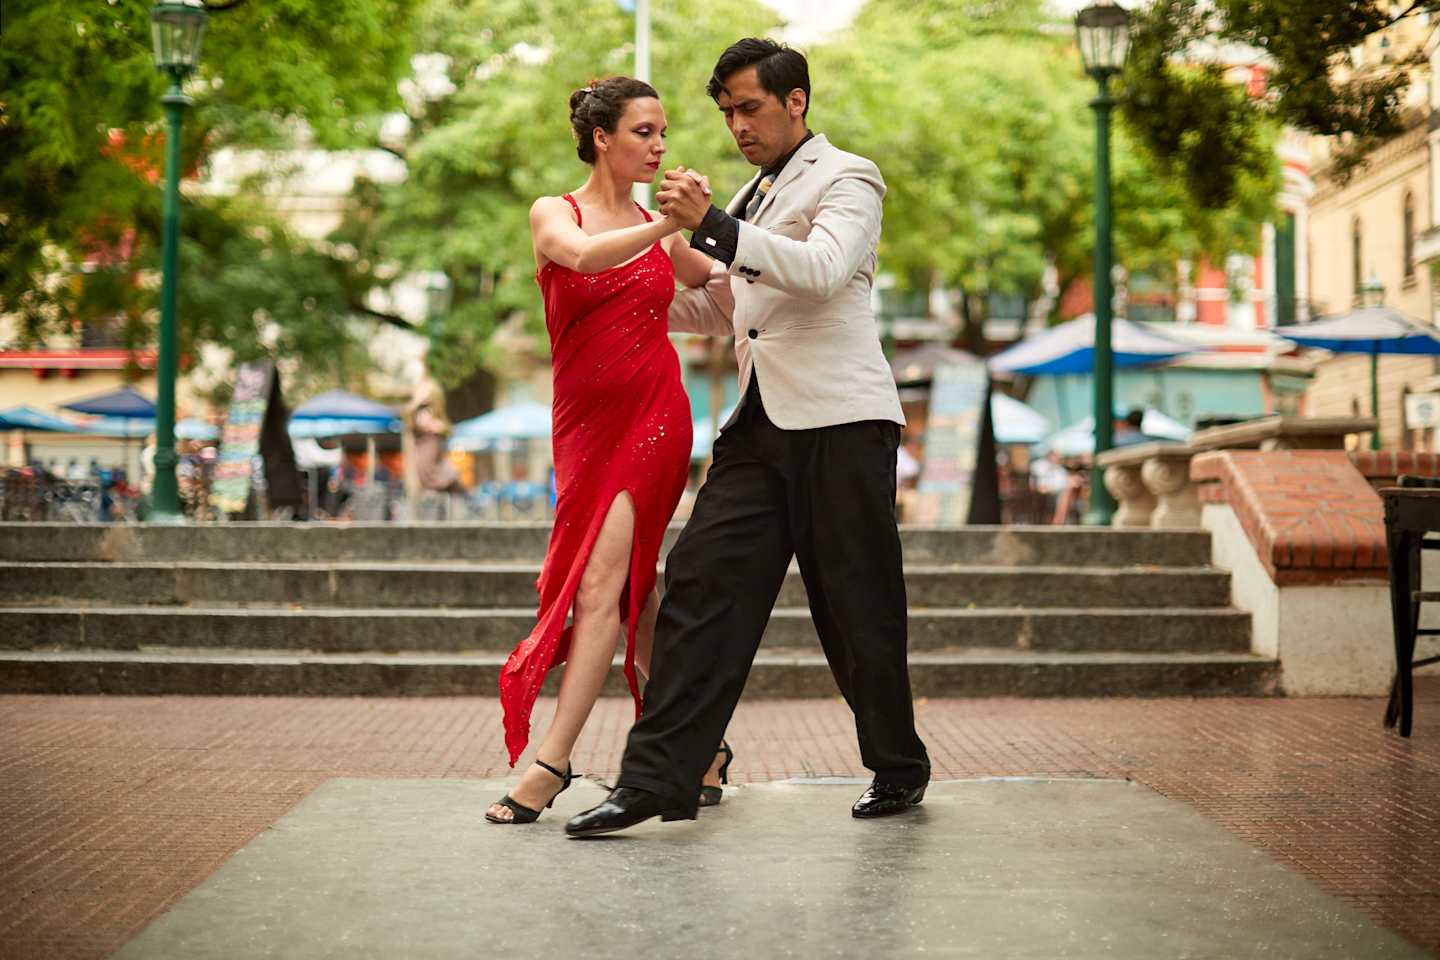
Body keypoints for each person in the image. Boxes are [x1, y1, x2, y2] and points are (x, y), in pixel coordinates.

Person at [567, 39, 930, 839]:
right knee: (698, 582)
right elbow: (733, 306)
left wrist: (716, 227)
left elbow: (822, 271)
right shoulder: (750, 194)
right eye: (726, 111)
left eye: (749, 107)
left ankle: (898, 765)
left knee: (856, 608)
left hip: (843, 421)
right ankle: (656, 778)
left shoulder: (850, 176)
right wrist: (622, 300)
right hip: (761, 424)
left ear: (795, 99)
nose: (736, 125)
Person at [487, 76, 732, 824]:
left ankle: (552, 763)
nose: (659, 146)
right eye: (643, 132)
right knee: (639, 595)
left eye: (662, 134)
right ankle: (702, 749)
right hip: (581, 429)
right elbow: (587, 259)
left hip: (654, 421)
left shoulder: (658, 227)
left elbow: (724, 294)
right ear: (602, 138)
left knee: (601, 588)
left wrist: (724, 230)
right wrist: (665, 226)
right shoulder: (554, 214)